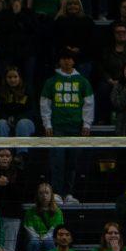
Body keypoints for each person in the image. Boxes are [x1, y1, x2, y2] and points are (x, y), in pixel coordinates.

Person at [40, 47, 92, 206]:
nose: (67, 61)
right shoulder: (51, 81)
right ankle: (56, 192)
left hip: (76, 128)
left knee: (72, 162)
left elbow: (89, 103)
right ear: (59, 61)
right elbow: (45, 103)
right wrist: (47, 123)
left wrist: (87, 123)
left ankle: (69, 193)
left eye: (70, 58)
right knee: (57, 161)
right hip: (58, 128)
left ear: (74, 61)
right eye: (64, 58)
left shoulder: (82, 81)